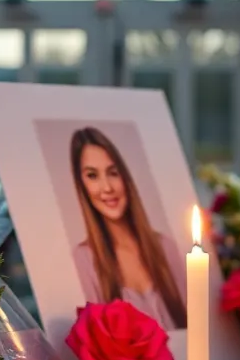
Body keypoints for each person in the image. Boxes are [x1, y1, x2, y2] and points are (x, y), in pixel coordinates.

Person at [69, 127, 187, 330]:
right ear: (81, 185)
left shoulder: (165, 246)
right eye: (92, 176)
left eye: (113, 173)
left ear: (125, 177)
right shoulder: (83, 260)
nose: (107, 187)